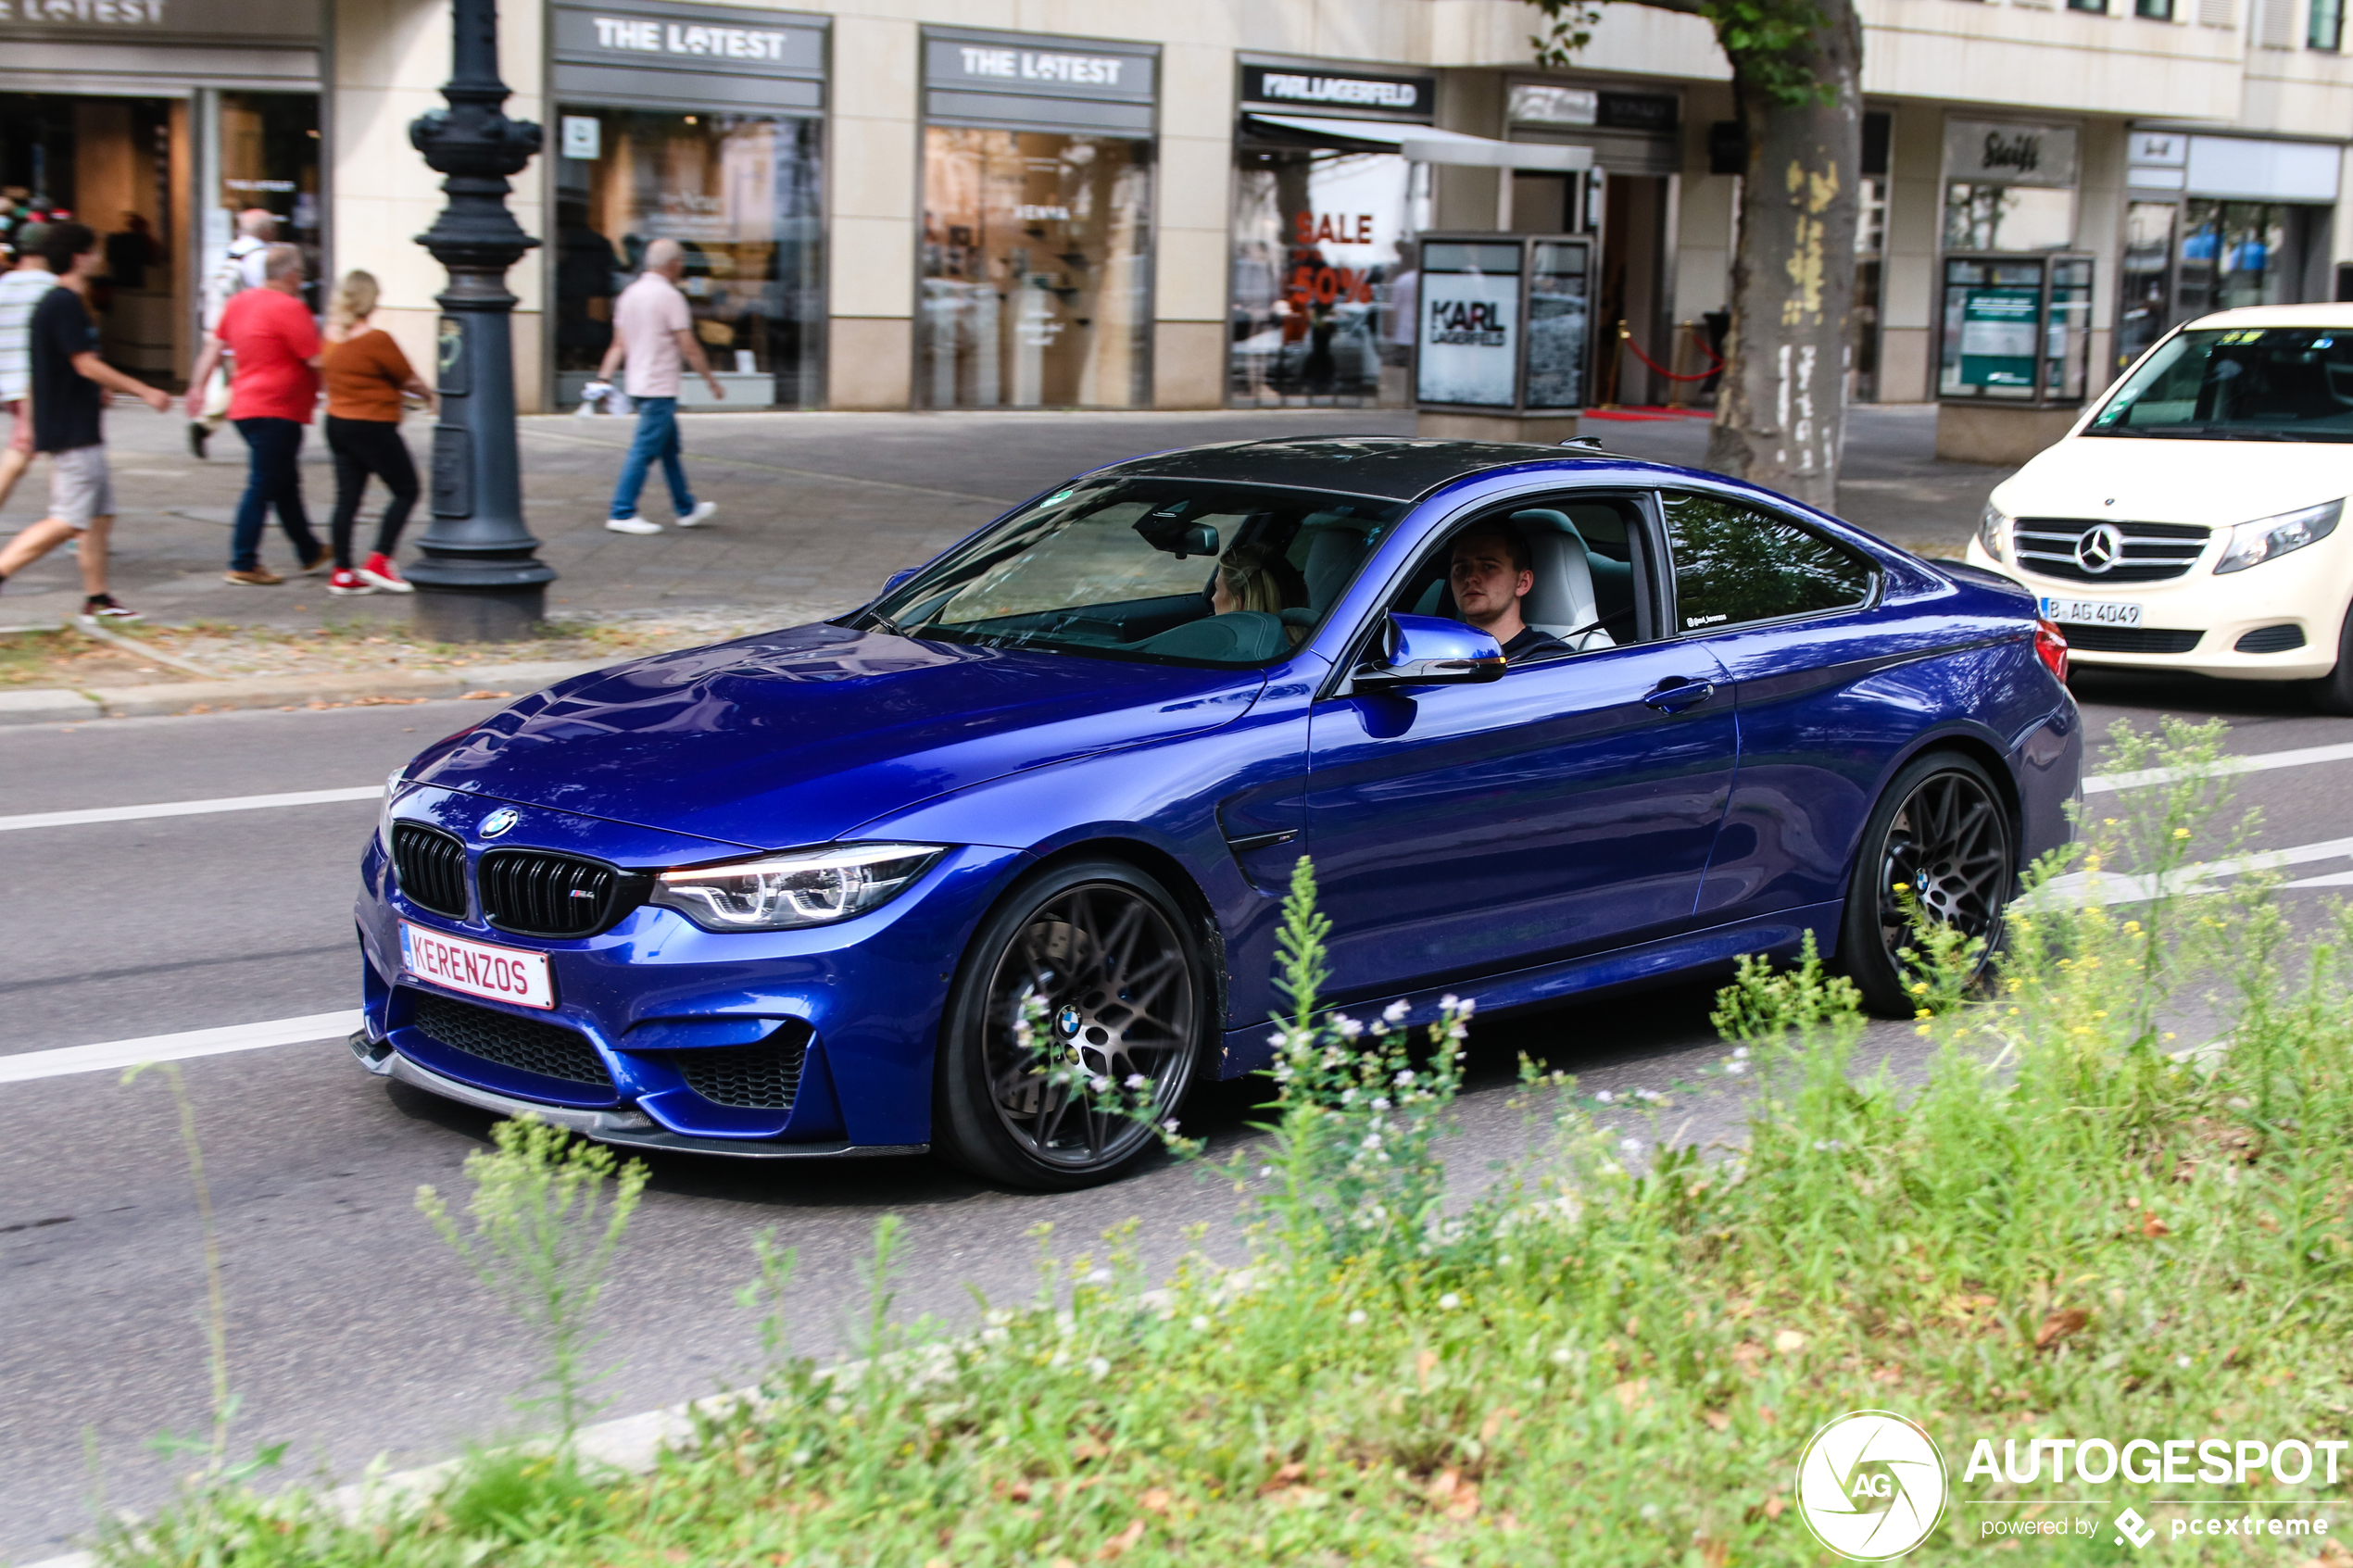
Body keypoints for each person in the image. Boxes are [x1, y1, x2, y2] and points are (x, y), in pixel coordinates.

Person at [0, 221, 173, 620]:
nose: (99, 257)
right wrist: (144, 390)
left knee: (98, 515)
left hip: (76, 425)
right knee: (66, 520)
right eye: (93, 251)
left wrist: (97, 390)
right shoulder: (62, 303)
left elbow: (69, 365)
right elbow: (84, 364)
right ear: (79, 257)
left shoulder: (62, 303)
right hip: (71, 431)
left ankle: (97, 599)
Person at [185, 242, 326, 587]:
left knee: (284, 482)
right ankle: (243, 561)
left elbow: (214, 348)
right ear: (292, 276)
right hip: (278, 409)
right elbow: (316, 359)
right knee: (264, 485)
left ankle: (309, 551)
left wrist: (196, 387)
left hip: (245, 406)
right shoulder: (291, 308)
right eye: (302, 276)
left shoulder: (239, 303)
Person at [597, 235, 722, 534]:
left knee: (668, 449)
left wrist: (603, 378)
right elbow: (689, 346)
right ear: (674, 264)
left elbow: (618, 345)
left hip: (638, 384)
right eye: (681, 262)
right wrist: (710, 380)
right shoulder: (670, 297)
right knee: (643, 450)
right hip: (660, 386)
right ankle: (622, 511)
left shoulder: (629, 294)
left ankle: (686, 507)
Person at [320, 270, 434, 596]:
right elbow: (408, 379)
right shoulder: (376, 340)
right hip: (371, 425)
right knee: (406, 489)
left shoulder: (330, 337)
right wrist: (432, 397)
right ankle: (379, 559)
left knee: (347, 500)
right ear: (370, 300)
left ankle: (342, 572)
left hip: (337, 424)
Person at [187, 207, 277, 459]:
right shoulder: (259, 258)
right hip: (245, 332)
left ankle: (207, 425)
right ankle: (207, 426)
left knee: (240, 383)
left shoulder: (229, 252)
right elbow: (266, 297)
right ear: (267, 230)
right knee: (246, 383)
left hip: (220, 327)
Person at [1448, 523, 1567, 662]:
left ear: (1522, 583)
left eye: (1488, 566)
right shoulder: (1441, 652)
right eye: (1461, 568)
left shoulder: (1548, 661)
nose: (1470, 578)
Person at [0, 220, 56, 515]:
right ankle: (71, 525)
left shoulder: (3, 287)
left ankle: (72, 525)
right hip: (41, 384)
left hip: (9, 384)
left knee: (33, 451)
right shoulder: (52, 289)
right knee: (32, 452)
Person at [1211, 544, 1308, 646]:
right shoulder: (1312, 647)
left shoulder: (1230, 656)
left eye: (1217, 589)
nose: (1213, 598)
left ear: (1237, 603)